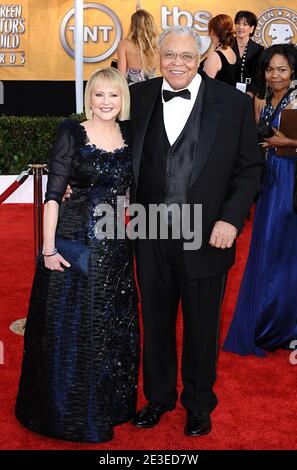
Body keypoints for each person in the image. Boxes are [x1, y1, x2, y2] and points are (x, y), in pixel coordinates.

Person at [129, 26, 263, 435]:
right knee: (155, 320)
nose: (177, 64)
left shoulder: (234, 104)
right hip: (149, 232)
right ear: (159, 58)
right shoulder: (138, 97)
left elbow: (250, 169)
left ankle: (199, 403)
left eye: (187, 56)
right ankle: (159, 397)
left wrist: (230, 219)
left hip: (206, 234)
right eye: (170, 55)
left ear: (201, 58)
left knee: (203, 324)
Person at [15, 67, 139, 443]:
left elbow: (131, 192)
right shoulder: (72, 132)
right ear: (89, 98)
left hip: (116, 245)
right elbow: (53, 196)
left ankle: (111, 404)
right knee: (76, 326)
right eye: (98, 95)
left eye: (113, 95)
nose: (106, 102)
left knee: (111, 322)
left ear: (123, 99)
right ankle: (70, 411)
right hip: (75, 242)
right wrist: (47, 249)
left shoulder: (130, 134)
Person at [224, 44, 297, 357]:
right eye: (270, 69)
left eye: (282, 70)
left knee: (283, 252)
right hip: (269, 179)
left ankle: (284, 326)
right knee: (266, 250)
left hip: (291, 180)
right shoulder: (266, 98)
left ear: (293, 71)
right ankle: (270, 322)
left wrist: (288, 142)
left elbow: (289, 141)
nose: (275, 76)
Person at [117, 9, 158, 85]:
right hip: (153, 87)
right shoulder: (157, 44)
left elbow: (121, 75)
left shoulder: (124, 44)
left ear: (133, 25)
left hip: (132, 88)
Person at [233, 11, 264, 97]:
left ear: (251, 29)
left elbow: (259, 77)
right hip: (227, 94)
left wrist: (249, 94)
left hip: (250, 96)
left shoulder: (259, 50)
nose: (240, 27)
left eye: (245, 24)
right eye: (238, 23)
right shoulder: (226, 46)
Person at [200, 14, 237, 86]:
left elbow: (205, 85)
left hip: (215, 96)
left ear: (212, 32)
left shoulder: (215, 57)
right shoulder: (231, 51)